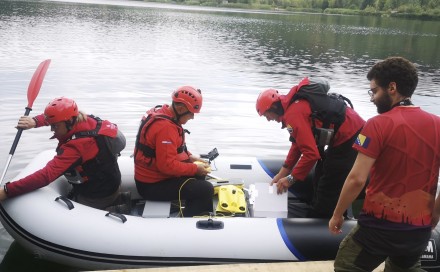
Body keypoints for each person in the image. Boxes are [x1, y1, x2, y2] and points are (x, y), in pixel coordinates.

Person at [328, 57, 440, 271]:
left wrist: (337, 214)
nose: (372, 98)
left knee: (346, 265)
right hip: (418, 231)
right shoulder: (438, 125)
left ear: (392, 88)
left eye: (374, 91)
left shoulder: (376, 125)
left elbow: (356, 178)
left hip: (378, 229)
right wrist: (435, 214)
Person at [256, 78, 365, 218]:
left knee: (331, 177)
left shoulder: (293, 115)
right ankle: (320, 205)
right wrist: (282, 173)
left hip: (354, 137)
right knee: (320, 170)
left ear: (273, 108)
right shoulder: (292, 110)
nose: (268, 119)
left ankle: (324, 215)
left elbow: (311, 155)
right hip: (344, 137)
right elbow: (297, 144)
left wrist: (290, 179)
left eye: (266, 115)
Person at [0, 97, 129, 213]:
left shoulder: (76, 147)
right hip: (111, 182)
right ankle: (118, 199)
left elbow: (45, 176)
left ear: (69, 121)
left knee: (77, 212)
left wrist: (7, 191)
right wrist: (35, 121)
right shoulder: (86, 119)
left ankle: (113, 209)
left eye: (55, 126)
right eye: (51, 125)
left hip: (98, 196)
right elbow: (53, 117)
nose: (52, 130)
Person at [134, 86, 214, 217]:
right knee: (206, 190)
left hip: (156, 178)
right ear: (181, 109)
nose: (193, 117)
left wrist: (191, 158)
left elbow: (175, 149)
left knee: (200, 175)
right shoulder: (165, 128)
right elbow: (166, 166)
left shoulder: (165, 113)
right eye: (191, 113)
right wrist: (194, 169)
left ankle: (190, 209)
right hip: (152, 186)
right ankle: (189, 222)